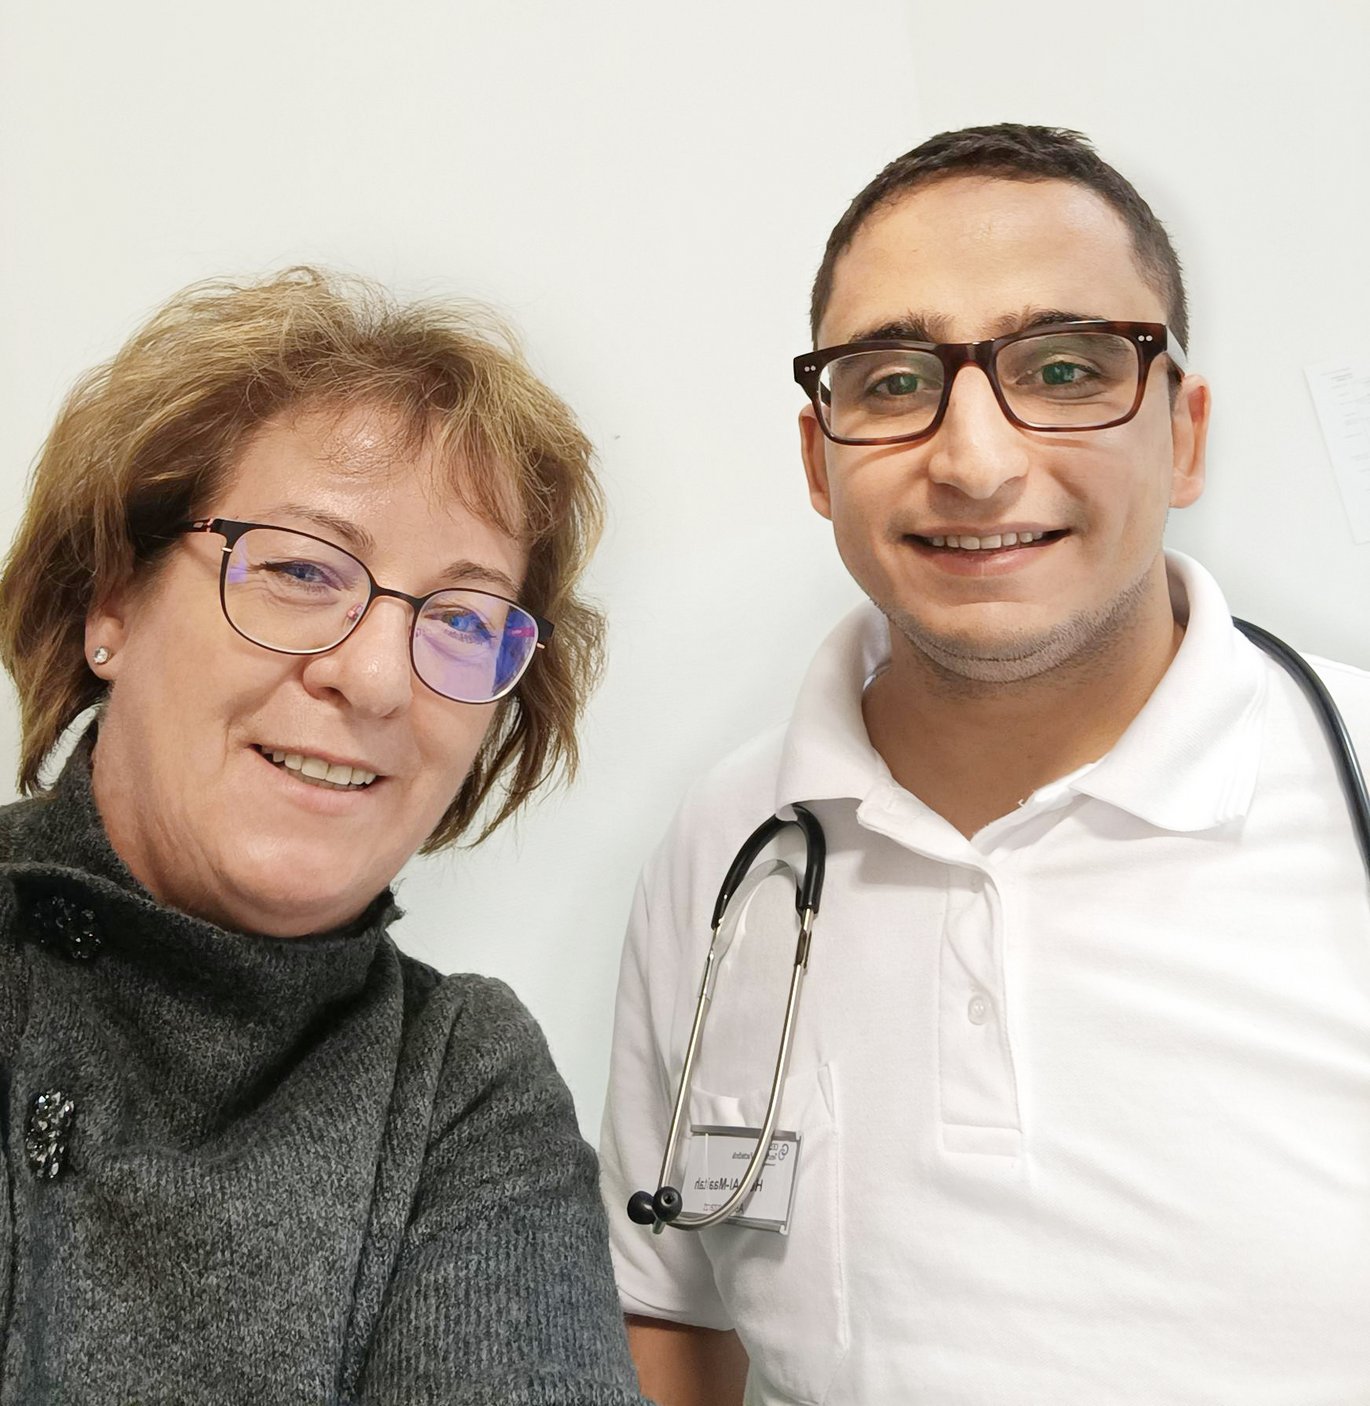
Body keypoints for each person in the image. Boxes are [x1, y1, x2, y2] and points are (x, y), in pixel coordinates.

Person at [598, 125, 1370, 1405]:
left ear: (1181, 434)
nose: (973, 460)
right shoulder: (727, 846)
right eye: (892, 381)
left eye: (1062, 369)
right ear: (818, 458)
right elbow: (670, 1310)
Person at [0, 268, 648, 1404]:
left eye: (460, 618)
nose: (376, 678)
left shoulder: (459, 1083)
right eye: (301, 568)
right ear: (113, 603)